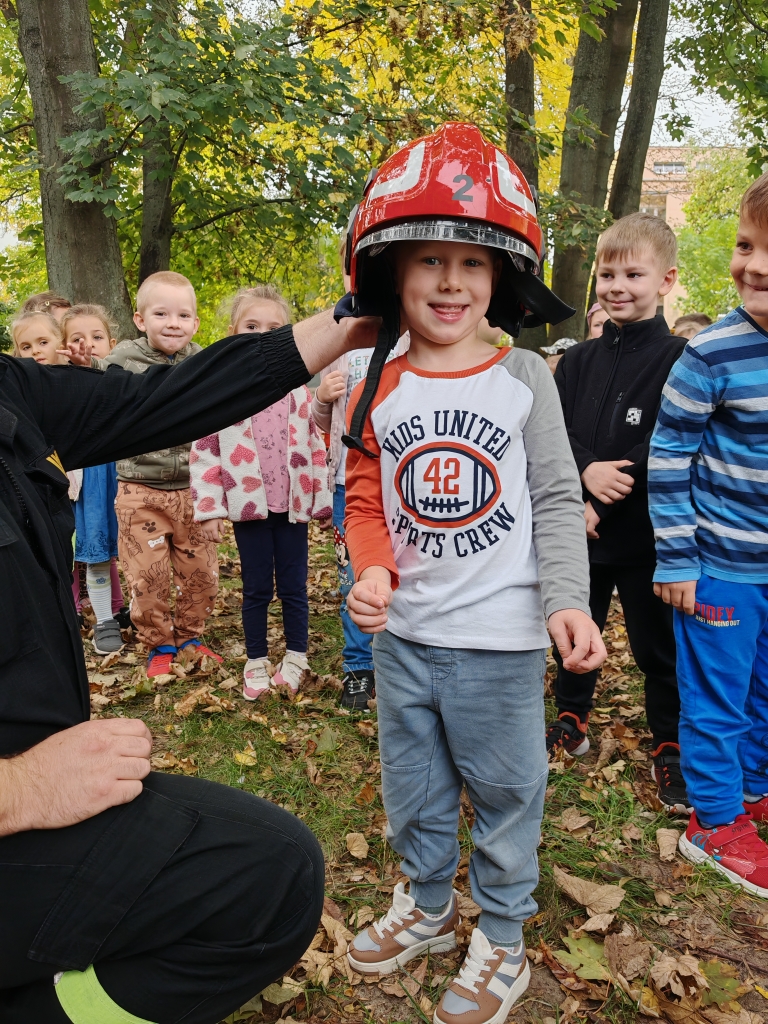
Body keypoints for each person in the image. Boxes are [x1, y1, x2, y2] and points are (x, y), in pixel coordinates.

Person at [0, 299, 377, 1022]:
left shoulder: (11, 393)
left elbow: (168, 397)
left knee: (269, 870)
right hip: (23, 802)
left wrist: (350, 320)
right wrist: (20, 790)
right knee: (265, 884)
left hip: (49, 787)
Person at [340, 123, 604, 1024]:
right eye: (430, 261)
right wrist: (371, 573)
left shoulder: (526, 375)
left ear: (504, 281)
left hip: (496, 645)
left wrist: (568, 599)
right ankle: (425, 902)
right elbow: (366, 499)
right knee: (412, 786)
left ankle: (502, 936)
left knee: (504, 793)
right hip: (407, 641)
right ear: (391, 274)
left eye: (473, 263)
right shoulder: (378, 383)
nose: (451, 282)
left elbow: (559, 499)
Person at [649, 171, 768, 896]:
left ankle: (752, 793)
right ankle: (714, 821)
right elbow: (667, 458)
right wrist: (678, 558)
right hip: (718, 569)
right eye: (746, 244)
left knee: (764, 694)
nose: (754, 265)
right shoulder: (712, 352)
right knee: (719, 698)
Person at [549, 214, 688, 813]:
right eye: (608, 273)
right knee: (578, 629)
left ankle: (671, 746)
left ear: (666, 280)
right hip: (581, 528)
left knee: (659, 647)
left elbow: (674, 438)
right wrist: (583, 476)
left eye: (634, 273)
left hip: (647, 535)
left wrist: (615, 476)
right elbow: (553, 432)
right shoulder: (577, 360)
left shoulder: (682, 358)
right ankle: (571, 719)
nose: (616, 284)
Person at [191, 285, 332, 699]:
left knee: (293, 586)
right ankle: (255, 659)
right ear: (234, 331)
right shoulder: (223, 392)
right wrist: (211, 508)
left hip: (290, 509)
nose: (262, 333)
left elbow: (315, 446)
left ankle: (297, 656)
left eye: (274, 327)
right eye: (252, 326)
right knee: (255, 587)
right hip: (248, 507)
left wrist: (319, 500)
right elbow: (204, 451)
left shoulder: (297, 391)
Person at [86, 271, 221, 677]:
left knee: (201, 574)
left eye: (183, 315)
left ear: (195, 323)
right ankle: (158, 644)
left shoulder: (203, 361)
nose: (173, 323)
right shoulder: (123, 360)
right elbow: (94, 386)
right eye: (161, 313)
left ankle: (192, 636)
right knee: (148, 575)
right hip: (139, 489)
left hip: (195, 491)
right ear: (141, 319)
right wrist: (82, 365)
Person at [311, 241, 409, 710]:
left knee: (405, 573)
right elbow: (326, 427)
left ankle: (398, 664)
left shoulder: (415, 338)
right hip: (346, 487)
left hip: (405, 488)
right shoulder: (341, 336)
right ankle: (358, 668)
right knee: (356, 577)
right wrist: (322, 400)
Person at [60, 304, 129, 651]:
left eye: (97, 337)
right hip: (87, 483)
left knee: (137, 551)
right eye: (77, 338)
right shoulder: (61, 383)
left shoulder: (121, 378)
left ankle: (133, 609)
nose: (87, 345)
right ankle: (104, 619)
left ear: (112, 342)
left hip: (125, 476)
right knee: (96, 549)